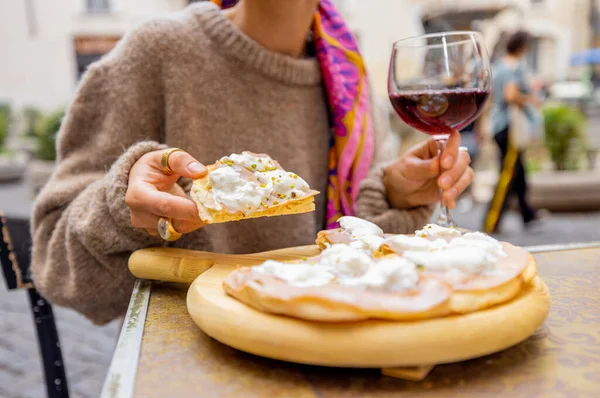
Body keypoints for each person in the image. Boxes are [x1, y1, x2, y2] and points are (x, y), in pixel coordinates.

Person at [31, 0, 473, 325]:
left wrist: (393, 194)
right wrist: (126, 209)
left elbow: (341, 253)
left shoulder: (349, 76)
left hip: (336, 354)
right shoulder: (157, 52)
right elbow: (56, 263)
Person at [483, 30, 544, 234]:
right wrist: (531, 99)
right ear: (522, 47)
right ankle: (491, 220)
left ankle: (528, 214)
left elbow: (490, 99)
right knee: (508, 174)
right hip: (510, 127)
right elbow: (510, 95)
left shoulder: (498, 65)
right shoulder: (515, 67)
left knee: (519, 172)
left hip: (499, 125)